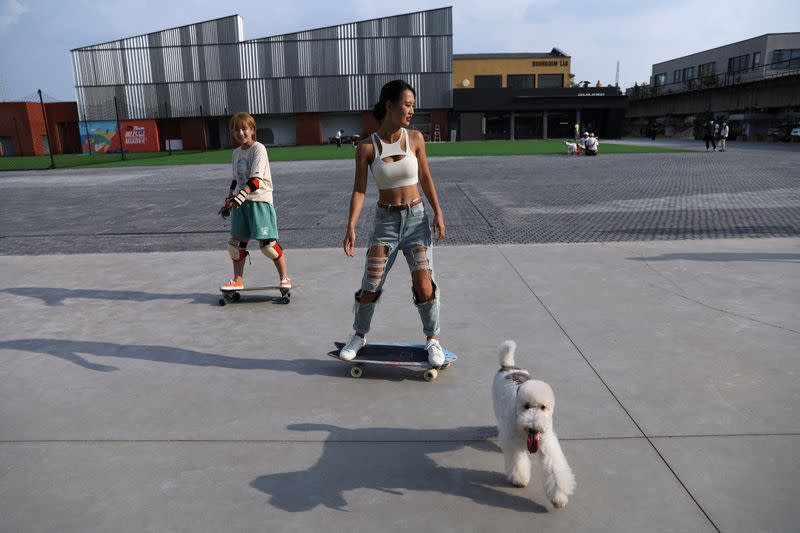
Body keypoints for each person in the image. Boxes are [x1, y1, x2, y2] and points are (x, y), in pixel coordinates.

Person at [340, 79, 446, 365]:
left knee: (424, 285)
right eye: (407, 105)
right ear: (390, 105)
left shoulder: (415, 139)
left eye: (413, 106)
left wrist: (438, 211)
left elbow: (425, 178)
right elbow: (360, 190)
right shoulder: (366, 148)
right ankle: (359, 335)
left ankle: (433, 340)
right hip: (385, 224)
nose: (411, 111)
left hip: (417, 220)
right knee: (370, 284)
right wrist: (351, 225)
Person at [218, 112, 291, 291]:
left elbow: (256, 181)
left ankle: (285, 278)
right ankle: (238, 280)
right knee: (235, 246)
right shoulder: (236, 153)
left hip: (259, 201)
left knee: (268, 247)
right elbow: (236, 179)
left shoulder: (259, 149)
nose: (240, 133)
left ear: (252, 130)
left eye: (244, 129)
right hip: (241, 202)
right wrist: (229, 198)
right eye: (236, 130)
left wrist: (238, 198)